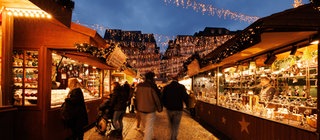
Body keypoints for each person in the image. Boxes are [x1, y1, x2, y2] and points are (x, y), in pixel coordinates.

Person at [135, 71, 162, 140]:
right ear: (152, 78)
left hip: (141, 109)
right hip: (150, 109)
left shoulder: (139, 86)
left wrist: (137, 108)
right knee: (148, 127)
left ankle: (151, 136)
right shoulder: (152, 86)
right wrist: (159, 108)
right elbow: (157, 98)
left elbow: (136, 98)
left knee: (146, 126)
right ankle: (148, 137)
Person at [162, 76, 189, 140]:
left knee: (171, 124)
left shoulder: (166, 87)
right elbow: (185, 97)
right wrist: (187, 105)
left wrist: (165, 105)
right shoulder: (181, 87)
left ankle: (172, 136)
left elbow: (162, 98)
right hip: (178, 109)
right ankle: (173, 138)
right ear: (178, 79)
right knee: (176, 125)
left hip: (169, 109)